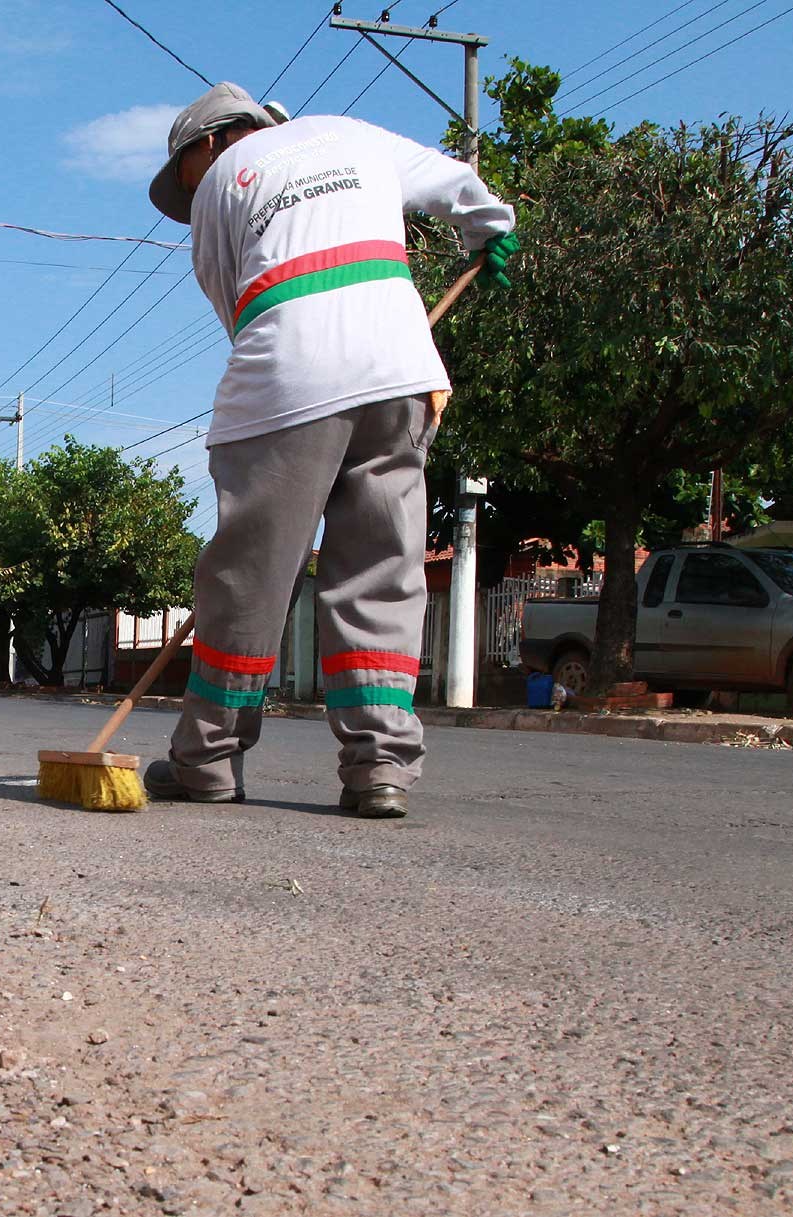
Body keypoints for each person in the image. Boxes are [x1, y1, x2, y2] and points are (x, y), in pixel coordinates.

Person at [142, 82, 519, 818]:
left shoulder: (225, 177)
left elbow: (235, 303)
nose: (189, 194)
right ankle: (379, 765)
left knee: (250, 580)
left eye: (182, 173)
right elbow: (463, 189)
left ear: (210, 143)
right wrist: (488, 232)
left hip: (287, 371)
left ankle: (208, 759)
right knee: (382, 568)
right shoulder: (354, 135)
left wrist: (301, 373)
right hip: (398, 368)